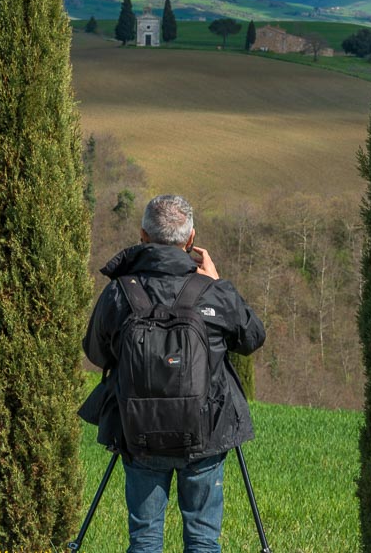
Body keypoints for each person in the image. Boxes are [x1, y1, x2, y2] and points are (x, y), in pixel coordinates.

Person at [81, 194, 266, 553]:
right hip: (205, 435)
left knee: (146, 539)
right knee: (202, 539)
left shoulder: (120, 293)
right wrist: (218, 283)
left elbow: (95, 352)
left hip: (139, 433)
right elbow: (253, 337)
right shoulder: (211, 291)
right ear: (191, 240)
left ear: (143, 237)